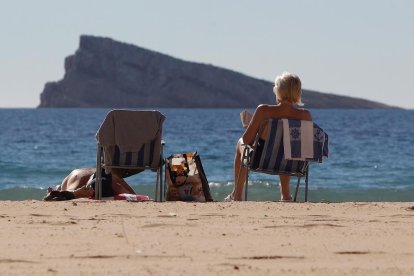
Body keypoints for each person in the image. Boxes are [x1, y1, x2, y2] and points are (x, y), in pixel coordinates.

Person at [225, 72, 312, 201]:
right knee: (286, 149)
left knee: (240, 143)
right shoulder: (305, 116)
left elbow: (246, 140)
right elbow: (305, 147)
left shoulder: (263, 110)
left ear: (278, 92)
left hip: (261, 161)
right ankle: (286, 195)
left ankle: (237, 195)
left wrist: (250, 127)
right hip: (292, 164)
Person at [43, 168, 136, 201]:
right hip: (105, 179)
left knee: (70, 190)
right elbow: (133, 196)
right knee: (121, 190)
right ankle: (74, 193)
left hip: (79, 175)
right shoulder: (111, 174)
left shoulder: (70, 177)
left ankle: (74, 193)